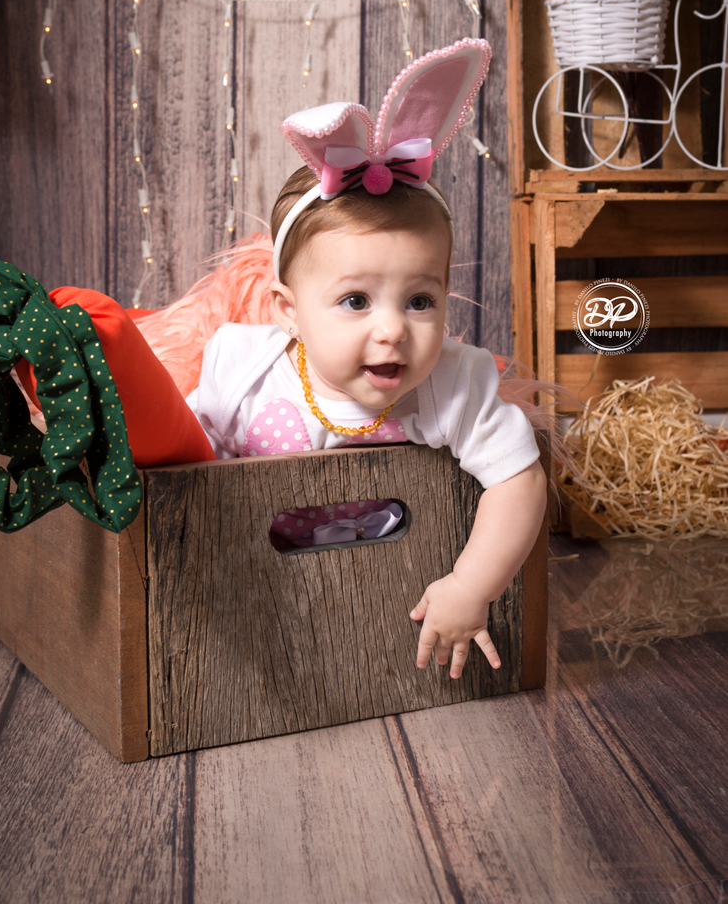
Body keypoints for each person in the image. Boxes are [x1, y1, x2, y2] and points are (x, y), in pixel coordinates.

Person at [186, 39, 547, 681]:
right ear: (289, 311)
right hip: (257, 609)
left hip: (388, 614)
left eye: (419, 300)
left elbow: (519, 478)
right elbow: (182, 461)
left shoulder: (452, 383)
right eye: (355, 301)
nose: (393, 330)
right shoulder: (244, 371)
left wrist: (471, 585)